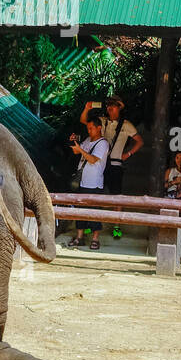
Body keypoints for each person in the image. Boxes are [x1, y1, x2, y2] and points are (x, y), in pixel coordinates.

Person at [79, 95, 142, 239]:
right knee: (96, 195)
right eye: (108, 104)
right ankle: (92, 224)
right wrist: (86, 108)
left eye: (113, 104)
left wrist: (129, 153)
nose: (110, 107)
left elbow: (139, 141)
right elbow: (84, 121)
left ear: (120, 107)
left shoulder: (126, 125)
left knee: (116, 197)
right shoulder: (102, 121)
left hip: (115, 164)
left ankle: (116, 227)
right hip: (100, 164)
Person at [68, 116, 110, 250]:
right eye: (88, 128)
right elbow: (76, 151)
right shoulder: (87, 140)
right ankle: (79, 237)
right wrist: (74, 143)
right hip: (83, 181)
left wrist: (80, 150)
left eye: (91, 128)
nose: (89, 130)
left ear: (99, 128)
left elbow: (92, 160)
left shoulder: (103, 143)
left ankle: (95, 239)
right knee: (80, 210)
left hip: (94, 183)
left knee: (94, 211)